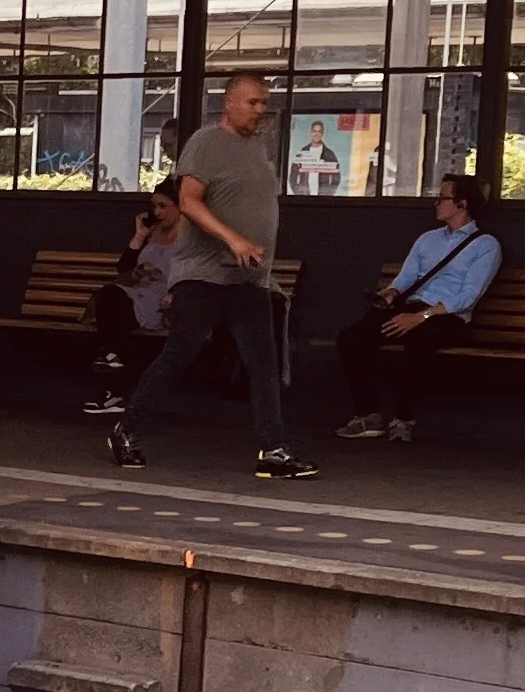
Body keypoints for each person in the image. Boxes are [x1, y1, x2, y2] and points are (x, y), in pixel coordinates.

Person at [118, 67, 313, 478]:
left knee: (263, 364)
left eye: (264, 102)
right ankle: (127, 429)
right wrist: (235, 240)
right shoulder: (206, 142)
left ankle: (274, 450)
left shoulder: (258, 147)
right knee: (179, 355)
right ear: (229, 102)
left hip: (248, 278)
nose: (261, 110)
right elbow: (188, 202)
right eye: (253, 102)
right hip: (205, 274)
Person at [334, 172, 501, 440]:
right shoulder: (428, 239)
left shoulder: (485, 246)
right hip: (413, 307)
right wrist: (390, 293)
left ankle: (403, 419)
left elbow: (469, 295)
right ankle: (368, 414)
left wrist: (422, 316)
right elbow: (407, 277)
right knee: (352, 337)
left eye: (442, 197)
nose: (436, 203)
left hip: (446, 315)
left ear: (462, 204)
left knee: (419, 341)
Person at [94, 181, 185, 366]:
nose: (157, 212)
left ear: (179, 206)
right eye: (154, 206)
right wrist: (139, 236)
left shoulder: (189, 238)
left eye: (163, 206)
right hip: (138, 293)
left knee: (113, 303)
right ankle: (111, 356)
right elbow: (123, 268)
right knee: (109, 294)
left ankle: (111, 357)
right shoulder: (152, 233)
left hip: (166, 301)